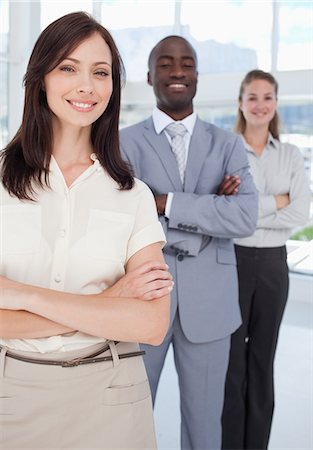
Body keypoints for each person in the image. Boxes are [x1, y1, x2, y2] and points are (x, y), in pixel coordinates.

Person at [0, 12, 173, 449]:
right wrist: (108, 302)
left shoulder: (133, 195)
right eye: (68, 68)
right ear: (40, 78)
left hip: (113, 398)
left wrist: (25, 295)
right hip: (12, 398)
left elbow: (151, 323)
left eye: (101, 72)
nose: (87, 86)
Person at [120, 35, 259, 450]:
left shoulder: (228, 143)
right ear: (149, 76)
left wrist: (164, 201)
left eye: (186, 63)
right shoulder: (121, 142)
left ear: (197, 75)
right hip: (141, 301)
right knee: (130, 421)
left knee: (204, 427)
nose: (177, 71)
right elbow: (121, 221)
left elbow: (244, 216)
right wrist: (210, 206)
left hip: (211, 306)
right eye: (166, 63)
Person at [222, 69, 311, 450]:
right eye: (252, 97)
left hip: (274, 265)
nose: (260, 105)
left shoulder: (290, 154)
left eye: (267, 97)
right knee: (231, 362)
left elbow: (301, 213)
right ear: (241, 103)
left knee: (262, 359)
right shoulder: (225, 150)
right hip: (231, 262)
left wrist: (244, 208)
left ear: (275, 104)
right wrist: (277, 200)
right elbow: (221, 213)